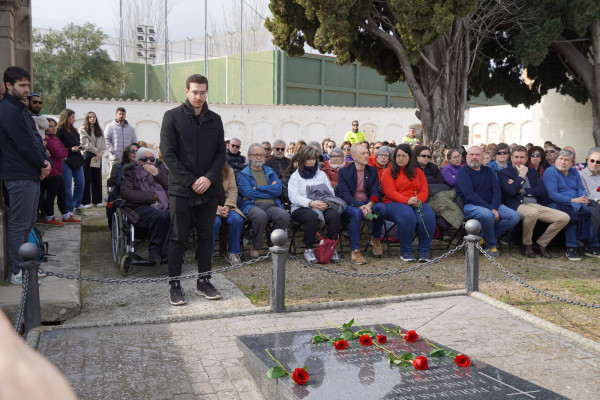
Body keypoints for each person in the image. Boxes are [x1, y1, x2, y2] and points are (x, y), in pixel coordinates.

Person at [160, 74, 225, 305]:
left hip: (209, 188)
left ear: (207, 93)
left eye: (203, 92)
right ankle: (175, 285)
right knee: (178, 238)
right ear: (186, 91)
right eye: (195, 92)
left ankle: (203, 281)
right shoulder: (172, 117)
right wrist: (191, 181)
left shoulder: (215, 120)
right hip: (181, 189)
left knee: (207, 236)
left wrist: (208, 179)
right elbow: (168, 153)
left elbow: (220, 154)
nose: (199, 97)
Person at [0, 66, 52, 285]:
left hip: (29, 174)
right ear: (8, 86)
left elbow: (34, 140)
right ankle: (17, 270)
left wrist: (44, 162)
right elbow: (23, 145)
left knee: (28, 223)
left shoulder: (20, 110)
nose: (26, 89)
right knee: (19, 224)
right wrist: (42, 164)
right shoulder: (8, 110)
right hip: (19, 174)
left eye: (28, 85)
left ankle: (27, 266)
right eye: (22, 85)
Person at [497, 146, 569, 258]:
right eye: (516, 157)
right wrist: (521, 176)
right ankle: (526, 245)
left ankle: (541, 244)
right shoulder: (504, 173)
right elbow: (510, 192)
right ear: (511, 158)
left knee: (563, 218)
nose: (519, 160)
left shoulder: (532, 172)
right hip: (517, 205)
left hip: (535, 205)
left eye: (522, 157)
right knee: (532, 213)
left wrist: (521, 190)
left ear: (526, 159)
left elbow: (541, 191)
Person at [455, 146, 520, 257]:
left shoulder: (488, 171)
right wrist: (491, 209)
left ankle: (482, 238)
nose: (474, 157)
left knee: (514, 216)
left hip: (492, 205)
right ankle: (491, 246)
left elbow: (496, 191)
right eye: (472, 154)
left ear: (482, 157)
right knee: (488, 215)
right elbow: (470, 195)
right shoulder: (463, 172)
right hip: (470, 206)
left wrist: (493, 207)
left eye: (477, 155)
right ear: (466, 157)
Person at [542, 149, 600, 261]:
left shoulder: (574, 172)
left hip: (576, 201)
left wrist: (583, 198)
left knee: (592, 211)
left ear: (572, 163)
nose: (563, 162)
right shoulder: (550, 172)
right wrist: (573, 200)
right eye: (560, 159)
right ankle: (572, 248)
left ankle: (590, 245)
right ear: (556, 160)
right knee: (573, 215)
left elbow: (581, 188)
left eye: (566, 160)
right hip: (554, 203)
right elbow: (552, 194)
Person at [381, 144, 435, 262]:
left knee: (428, 215)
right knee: (407, 215)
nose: (400, 158)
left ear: (410, 157)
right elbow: (390, 192)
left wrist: (418, 200)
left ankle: (423, 252)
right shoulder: (388, 172)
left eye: (404, 156)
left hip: (415, 202)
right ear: (394, 157)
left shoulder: (418, 172)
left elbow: (424, 190)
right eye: (398, 155)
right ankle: (406, 252)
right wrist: (407, 200)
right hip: (393, 203)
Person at [288, 147, 342, 263]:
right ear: (303, 160)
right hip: (301, 207)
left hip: (322, 204)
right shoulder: (296, 176)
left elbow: (330, 192)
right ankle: (308, 249)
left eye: (313, 159)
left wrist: (327, 204)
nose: (312, 162)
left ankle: (330, 246)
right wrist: (310, 203)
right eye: (309, 159)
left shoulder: (321, 174)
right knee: (311, 216)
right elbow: (293, 197)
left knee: (334, 215)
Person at [237, 144, 290, 257]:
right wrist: (269, 191)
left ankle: (273, 241)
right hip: (252, 206)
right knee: (260, 215)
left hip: (271, 206)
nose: (259, 157)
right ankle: (256, 245)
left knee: (284, 215)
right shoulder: (243, 174)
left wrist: (259, 188)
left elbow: (278, 190)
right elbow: (248, 193)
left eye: (261, 155)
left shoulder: (270, 171)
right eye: (256, 155)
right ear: (249, 156)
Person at [120, 147, 171, 264]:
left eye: (151, 158)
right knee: (158, 215)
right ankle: (154, 251)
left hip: (163, 204)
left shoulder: (161, 170)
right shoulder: (130, 173)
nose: (148, 161)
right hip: (140, 206)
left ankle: (166, 251)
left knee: (171, 214)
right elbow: (126, 193)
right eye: (144, 159)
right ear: (138, 161)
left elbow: (172, 187)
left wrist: (157, 174)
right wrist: (151, 196)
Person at [337, 144, 386, 263]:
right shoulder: (344, 172)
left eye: (367, 153)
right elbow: (344, 194)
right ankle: (355, 250)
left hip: (368, 202)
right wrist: (359, 206)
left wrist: (369, 205)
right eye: (362, 153)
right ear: (353, 156)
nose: (366, 156)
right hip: (351, 204)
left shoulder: (372, 170)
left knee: (382, 208)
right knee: (356, 213)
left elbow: (375, 191)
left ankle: (375, 238)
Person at [41, 118, 76, 226]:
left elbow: (64, 152)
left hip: (58, 171)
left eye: (54, 125)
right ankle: (49, 217)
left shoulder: (56, 139)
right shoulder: (47, 141)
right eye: (50, 126)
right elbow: (59, 153)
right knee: (51, 195)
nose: (53, 128)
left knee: (62, 194)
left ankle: (65, 216)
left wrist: (61, 152)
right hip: (51, 172)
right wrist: (60, 152)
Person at [212, 163, 245, 265]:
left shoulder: (228, 170)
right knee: (214, 222)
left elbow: (232, 190)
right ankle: (207, 253)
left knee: (237, 219)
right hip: (208, 207)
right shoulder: (202, 168)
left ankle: (233, 253)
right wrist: (217, 208)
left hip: (227, 206)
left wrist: (227, 206)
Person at [56, 108, 85, 215]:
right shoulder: (59, 130)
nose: (74, 119)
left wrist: (80, 146)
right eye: (72, 117)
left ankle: (76, 203)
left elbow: (77, 142)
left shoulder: (74, 130)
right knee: (67, 186)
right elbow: (58, 147)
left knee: (80, 183)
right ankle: (68, 209)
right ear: (66, 118)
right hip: (65, 160)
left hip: (76, 159)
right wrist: (70, 149)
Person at [79, 111, 107, 208]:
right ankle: (85, 201)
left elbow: (104, 145)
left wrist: (100, 155)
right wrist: (97, 153)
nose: (92, 118)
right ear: (87, 118)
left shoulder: (99, 130)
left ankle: (97, 201)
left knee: (97, 178)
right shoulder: (83, 129)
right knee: (86, 178)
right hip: (88, 155)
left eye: (94, 117)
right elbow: (86, 144)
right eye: (90, 117)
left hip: (98, 156)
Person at [105, 107, 137, 178]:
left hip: (127, 159)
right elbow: (106, 140)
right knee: (113, 177)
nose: (121, 116)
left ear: (125, 115)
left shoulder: (131, 129)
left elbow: (134, 142)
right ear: (116, 115)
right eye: (119, 114)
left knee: (128, 177)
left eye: (123, 114)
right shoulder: (110, 127)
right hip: (115, 158)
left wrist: (131, 153)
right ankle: (112, 190)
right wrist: (112, 150)